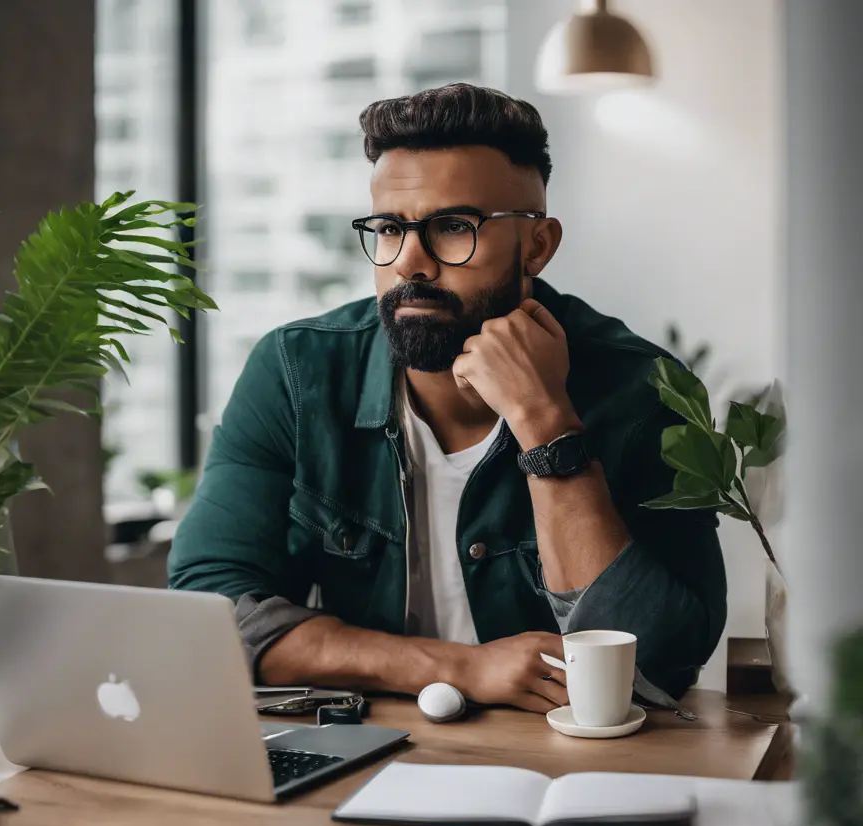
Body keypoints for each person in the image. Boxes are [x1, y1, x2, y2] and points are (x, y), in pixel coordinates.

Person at [169, 83, 726, 711]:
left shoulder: (645, 390)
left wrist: (547, 427)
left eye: (454, 227)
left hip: (566, 763)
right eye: (388, 229)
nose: (411, 262)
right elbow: (207, 609)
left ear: (537, 246)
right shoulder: (296, 372)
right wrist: (459, 667)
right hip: (362, 747)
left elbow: (659, 663)